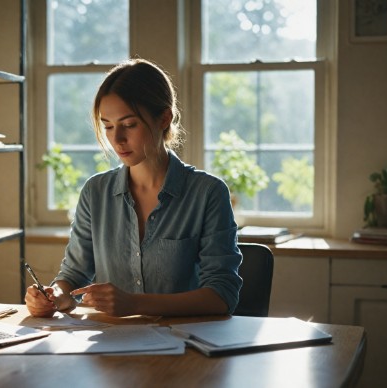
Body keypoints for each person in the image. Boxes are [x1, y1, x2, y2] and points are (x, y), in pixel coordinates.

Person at [25, 58, 242, 317]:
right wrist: (55, 296)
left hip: (185, 346)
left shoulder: (208, 193)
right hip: (110, 346)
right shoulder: (95, 192)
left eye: (129, 125)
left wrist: (135, 304)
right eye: (108, 126)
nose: (117, 139)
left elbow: (222, 295)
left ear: (164, 118)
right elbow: (73, 276)